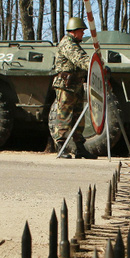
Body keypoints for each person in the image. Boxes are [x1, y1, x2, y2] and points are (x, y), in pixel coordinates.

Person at [51, 17, 97, 159]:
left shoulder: (75, 44)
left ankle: (79, 148)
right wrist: (97, 67)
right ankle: (61, 146)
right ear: (74, 31)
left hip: (75, 85)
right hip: (66, 86)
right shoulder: (68, 44)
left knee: (78, 117)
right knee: (64, 115)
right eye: (81, 31)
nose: (83, 34)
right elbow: (80, 60)